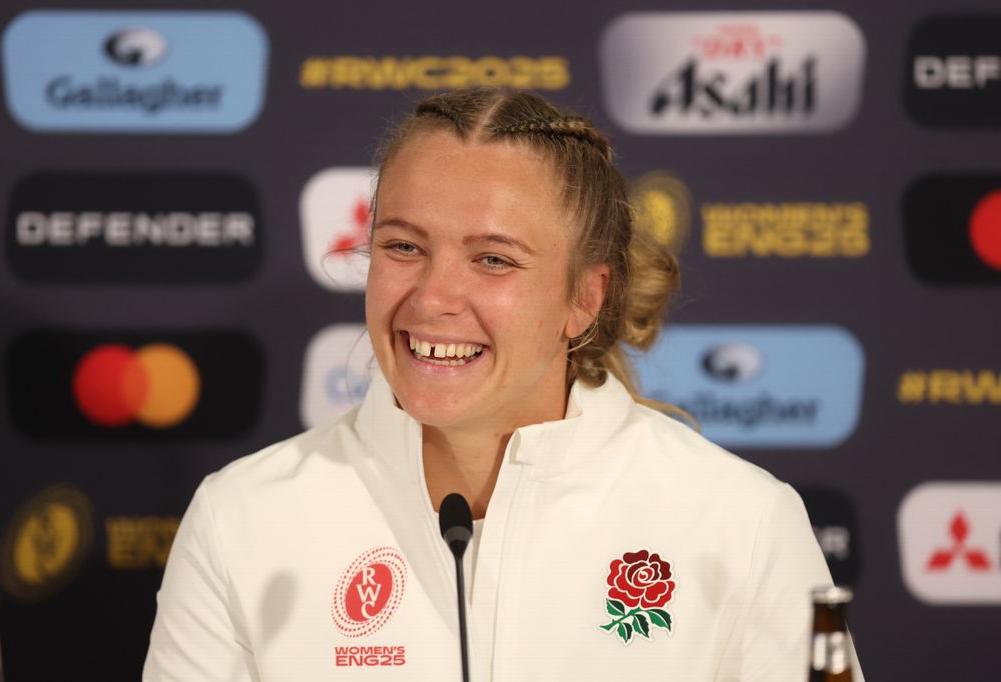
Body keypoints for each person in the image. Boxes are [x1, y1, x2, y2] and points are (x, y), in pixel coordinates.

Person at [143, 88, 863, 681]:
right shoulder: (242, 517)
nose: (432, 298)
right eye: (402, 246)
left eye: (492, 259)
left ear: (585, 296)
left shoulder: (742, 522)